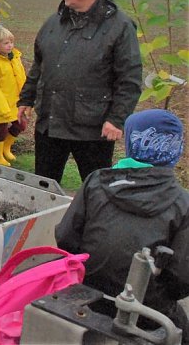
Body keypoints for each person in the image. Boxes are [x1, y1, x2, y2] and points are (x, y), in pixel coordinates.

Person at [55, 109, 188, 339]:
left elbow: (66, 238)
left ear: (131, 143)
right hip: (146, 311)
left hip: (87, 295)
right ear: (176, 149)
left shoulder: (96, 181)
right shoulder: (183, 203)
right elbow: (182, 278)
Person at [18, 0, 143, 183]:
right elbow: (39, 64)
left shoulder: (119, 26)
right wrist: (26, 98)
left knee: (96, 189)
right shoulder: (54, 22)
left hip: (92, 129)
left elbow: (129, 79)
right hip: (50, 124)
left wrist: (117, 119)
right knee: (43, 187)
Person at [0, 25, 27, 167]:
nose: (10, 46)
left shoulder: (15, 57)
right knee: (1, 130)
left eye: (11, 42)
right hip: (0, 103)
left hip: (16, 101)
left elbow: (21, 76)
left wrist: (26, 96)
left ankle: (6, 148)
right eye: (6, 43)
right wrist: (2, 107)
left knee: (20, 125)